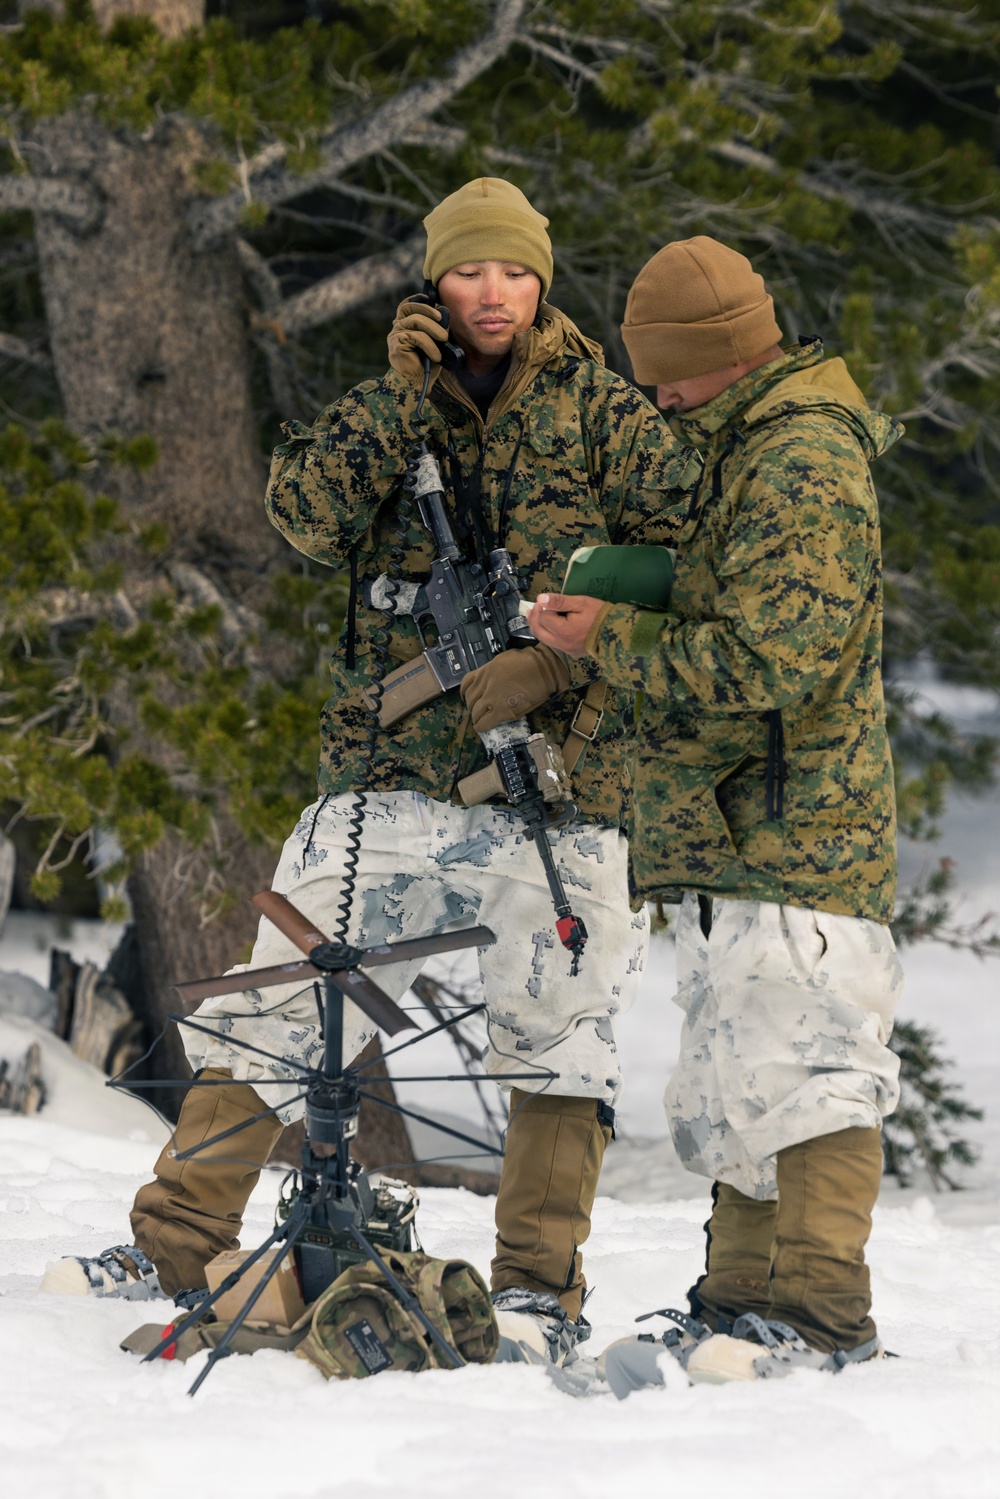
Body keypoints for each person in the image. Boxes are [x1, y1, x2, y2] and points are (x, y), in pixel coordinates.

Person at [47, 179, 686, 1366]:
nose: (490, 293)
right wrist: (396, 405)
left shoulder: (608, 418)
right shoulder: (388, 406)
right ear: (432, 282)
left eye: (511, 271)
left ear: (542, 280)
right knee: (279, 1005)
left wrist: (560, 672)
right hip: (386, 784)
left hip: (557, 780)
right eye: (466, 271)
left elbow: (684, 569)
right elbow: (301, 515)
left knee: (565, 1031)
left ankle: (538, 1286)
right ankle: (180, 1243)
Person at [528, 234, 905, 1380]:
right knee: (740, 1068)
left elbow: (781, 653)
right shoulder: (742, 446)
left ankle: (824, 1313)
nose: (654, 393)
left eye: (668, 370)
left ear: (728, 351)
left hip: (803, 830)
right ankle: (743, 1298)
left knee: (815, 1064)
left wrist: (611, 639)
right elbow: (726, 583)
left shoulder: (800, 459)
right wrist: (619, 575)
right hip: (737, 832)